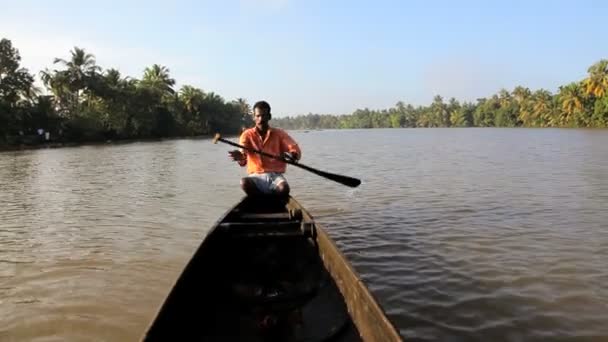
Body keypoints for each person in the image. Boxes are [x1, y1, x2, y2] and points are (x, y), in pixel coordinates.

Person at [228, 100, 301, 197]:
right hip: (255, 176)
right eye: (258, 116)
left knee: (284, 189)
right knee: (244, 183)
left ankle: (262, 199)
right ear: (254, 117)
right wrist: (240, 156)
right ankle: (264, 201)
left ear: (269, 116)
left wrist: (293, 155)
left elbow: (295, 149)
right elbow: (243, 156)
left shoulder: (279, 133)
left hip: (275, 176)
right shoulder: (247, 135)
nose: (261, 119)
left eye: (264, 115)